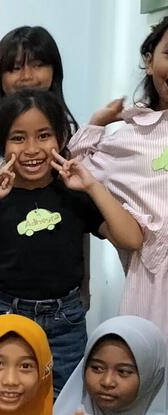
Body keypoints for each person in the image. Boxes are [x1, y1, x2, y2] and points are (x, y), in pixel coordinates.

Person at [0, 89, 142, 393]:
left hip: (64, 324)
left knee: (61, 407)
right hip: (3, 316)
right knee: (0, 404)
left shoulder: (74, 193)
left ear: (61, 138)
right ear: (2, 145)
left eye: (44, 136)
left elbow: (131, 239)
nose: (32, 149)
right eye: (18, 138)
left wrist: (92, 185)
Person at [0, 26, 76, 338]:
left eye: (38, 64)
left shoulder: (70, 133)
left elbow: (77, 215)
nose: (27, 76)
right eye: (14, 67)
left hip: (54, 288)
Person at [67, 18, 168, 337]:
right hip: (152, 295)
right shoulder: (132, 137)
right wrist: (96, 124)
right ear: (149, 62)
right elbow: (74, 170)